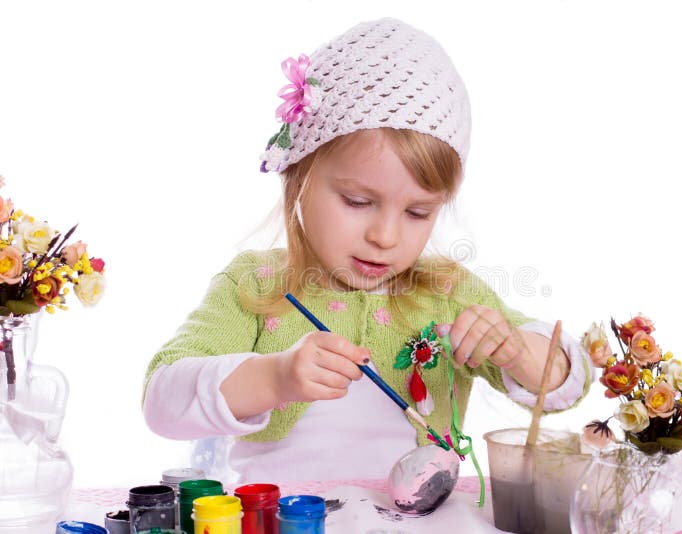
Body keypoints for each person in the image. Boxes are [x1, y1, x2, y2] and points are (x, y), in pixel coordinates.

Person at [143, 17, 592, 483]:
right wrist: (274, 378)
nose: (385, 236)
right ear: (300, 176)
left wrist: (519, 352)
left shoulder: (447, 291)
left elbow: (565, 382)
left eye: (418, 213)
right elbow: (161, 400)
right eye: (358, 202)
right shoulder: (256, 285)